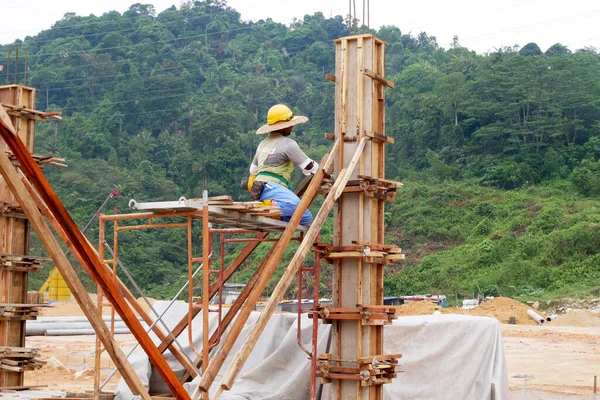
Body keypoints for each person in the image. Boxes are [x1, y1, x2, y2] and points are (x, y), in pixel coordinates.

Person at [246, 104, 319, 226]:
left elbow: (253, 169)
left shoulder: (262, 144)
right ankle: (265, 210)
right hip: (270, 186)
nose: (292, 126)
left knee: (305, 217)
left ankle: (272, 214)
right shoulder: (288, 144)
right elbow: (309, 167)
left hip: (260, 187)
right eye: (290, 124)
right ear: (282, 126)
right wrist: (326, 174)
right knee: (295, 205)